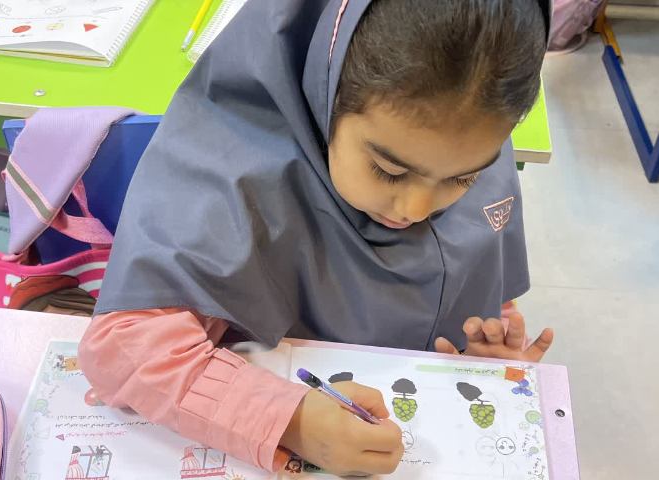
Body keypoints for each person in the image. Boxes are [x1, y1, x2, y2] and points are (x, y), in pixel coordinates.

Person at [79, 0, 553, 476]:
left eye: (464, 179)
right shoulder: (237, 173)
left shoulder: (471, 132)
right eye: (389, 170)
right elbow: (124, 349)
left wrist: (485, 356)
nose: (417, 209)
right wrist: (290, 420)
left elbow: (482, 290)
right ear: (326, 93)